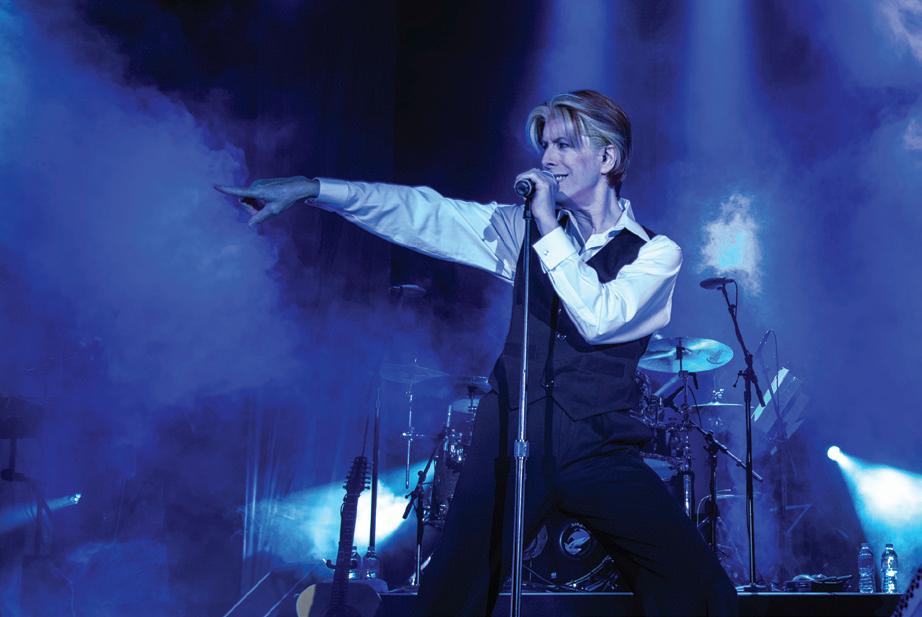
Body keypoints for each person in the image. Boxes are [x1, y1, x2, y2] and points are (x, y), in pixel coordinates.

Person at [216, 90, 737, 616]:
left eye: (564, 145)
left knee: (699, 591)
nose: (548, 158)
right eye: (545, 146)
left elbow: (600, 318)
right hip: (508, 437)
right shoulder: (521, 229)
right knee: (452, 595)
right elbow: (425, 213)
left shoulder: (655, 253)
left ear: (607, 158)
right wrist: (314, 189)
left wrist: (547, 228)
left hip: (598, 445)